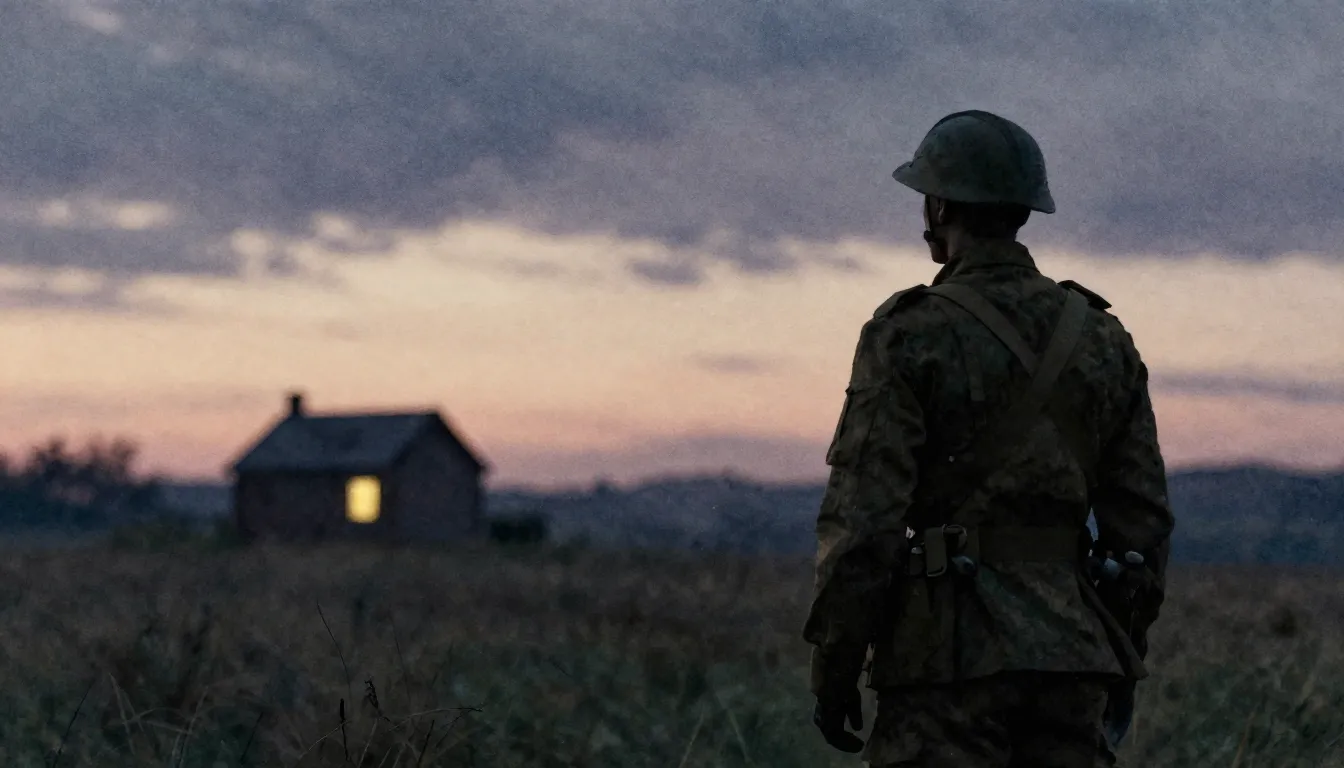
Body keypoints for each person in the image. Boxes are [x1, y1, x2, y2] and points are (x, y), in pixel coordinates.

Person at [802, 110, 1175, 767]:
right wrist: (1117, 649)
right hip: (1074, 662)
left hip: (943, 667)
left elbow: (863, 526)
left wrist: (836, 665)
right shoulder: (1102, 339)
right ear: (1023, 208)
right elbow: (1142, 529)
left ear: (941, 206)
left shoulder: (908, 334)